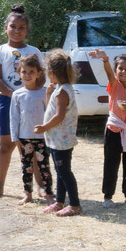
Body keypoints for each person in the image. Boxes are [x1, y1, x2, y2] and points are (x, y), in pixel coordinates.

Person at [0, 4, 45, 199]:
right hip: (6, 101)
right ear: (6, 28)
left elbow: (42, 77)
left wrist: (33, 93)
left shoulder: (34, 51)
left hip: (32, 103)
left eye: (21, 28)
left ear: (26, 30)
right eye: (13, 27)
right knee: (5, 145)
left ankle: (40, 188)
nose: (17, 31)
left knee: (31, 146)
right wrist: (14, 94)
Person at [88, 49, 126, 208]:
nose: (124, 71)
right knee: (111, 163)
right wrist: (105, 60)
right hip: (114, 130)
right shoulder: (114, 86)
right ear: (116, 71)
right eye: (120, 68)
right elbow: (108, 73)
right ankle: (108, 196)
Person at [35, 49, 82, 217]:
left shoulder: (63, 92)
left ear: (52, 72)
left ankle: (75, 205)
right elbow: (51, 109)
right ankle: (59, 202)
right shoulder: (60, 89)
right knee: (60, 171)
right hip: (57, 140)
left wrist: (44, 127)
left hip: (61, 140)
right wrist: (48, 92)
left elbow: (59, 116)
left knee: (64, 172)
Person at [9, 54, 54, 206]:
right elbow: (14, 117)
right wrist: (15, 138)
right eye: (24, 72)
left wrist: (49, 133)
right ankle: (28, 194)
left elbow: (49, 114)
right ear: (19, 73)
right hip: (23, 138)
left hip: (42, 138)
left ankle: (48, 194)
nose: (28, 75)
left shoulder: (44, 93)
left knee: (44, 167)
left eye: (31, 72)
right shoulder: (17, 94)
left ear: (39, 73)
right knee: (26, 168)